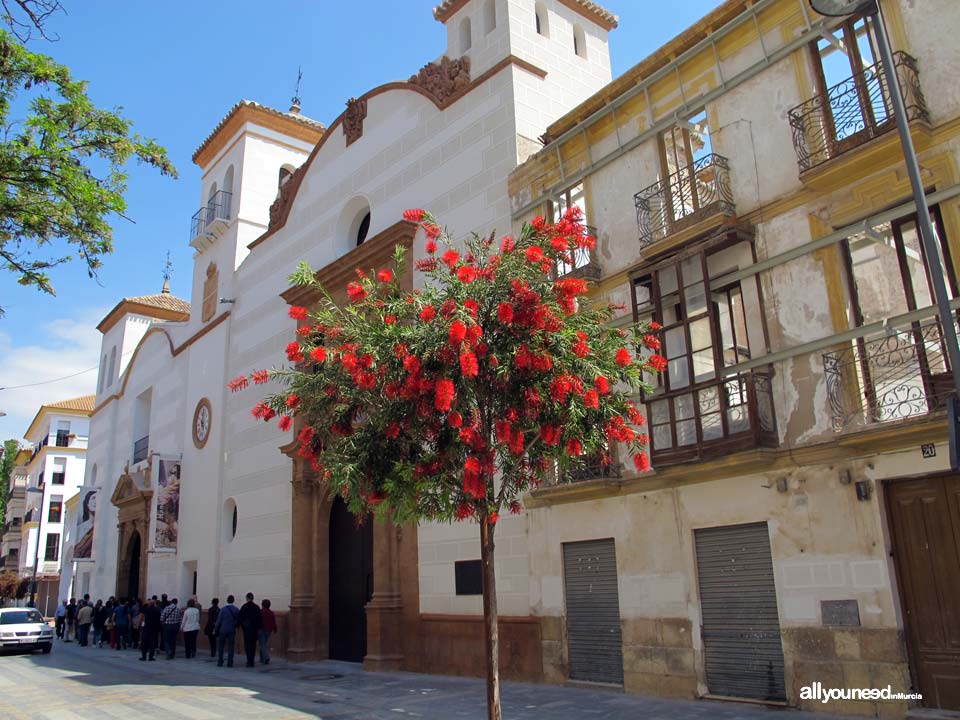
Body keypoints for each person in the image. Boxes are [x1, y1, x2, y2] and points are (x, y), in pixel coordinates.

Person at [213, 595, 240, 667]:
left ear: (227, 600)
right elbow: (238, 620)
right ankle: (230, 662)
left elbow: (219, 620)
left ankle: (220, 661)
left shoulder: (223, 609)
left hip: (223, 630)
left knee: (221, 646)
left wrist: (216, 628)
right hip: (231, 630)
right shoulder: (236, 609)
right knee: (231, 646)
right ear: (233, 601)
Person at [238, 592, 262, 668]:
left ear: (247, 598)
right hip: (254, 630)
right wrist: (258, 628)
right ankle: (252, 661)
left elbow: (240, 618)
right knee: (253, 645)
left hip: (247, 630)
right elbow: (259, 619)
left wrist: (241, 626)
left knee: (247, 645)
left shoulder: (244, 607)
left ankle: (249, 661)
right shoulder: (256, 607)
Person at [258, 598, 276, 665]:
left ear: (263, 605)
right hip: (268, 630)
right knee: (263, 644)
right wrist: (274, 629)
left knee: (262, 644)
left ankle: (266, 657)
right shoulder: (271, 613)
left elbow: (258, 621)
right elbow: (273, 622)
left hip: (261, 630)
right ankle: (262, 658)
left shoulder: (260, 612)